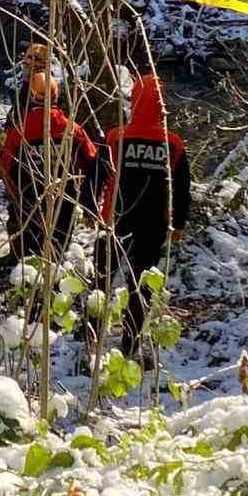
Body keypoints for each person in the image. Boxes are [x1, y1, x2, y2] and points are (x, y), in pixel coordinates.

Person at [95, 73, 191, 354]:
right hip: (154, 223)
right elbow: (181, 189)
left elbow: (97, 175)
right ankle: (130, 343)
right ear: (161, 106)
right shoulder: (173, 143)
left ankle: (91, 333)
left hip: (116, 218)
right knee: (140, 284)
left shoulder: (115, 137)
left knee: (102, 276)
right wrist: (178, 223)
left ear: (134, 102)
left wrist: (91, 208)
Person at [0, 72, 102, 273]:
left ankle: (24, 278)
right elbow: (93, 163)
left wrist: (16, 196)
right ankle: (53, 281)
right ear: (56, 95)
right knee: (56, 249)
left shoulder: (19, 131)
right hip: (64, 199)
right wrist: (90, 203)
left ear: (32, 95)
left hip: (29, 200)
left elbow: (6, 167)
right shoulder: (72, 128)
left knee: (27, 250)